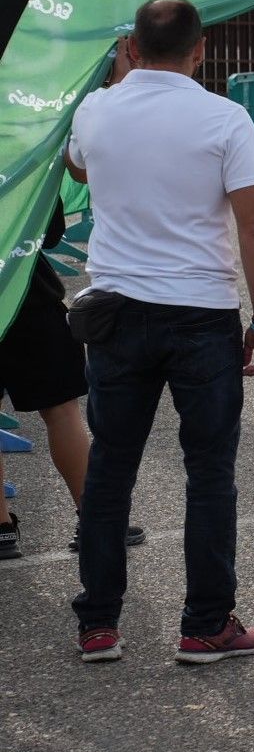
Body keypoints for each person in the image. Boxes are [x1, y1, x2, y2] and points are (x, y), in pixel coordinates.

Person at [63, 0, 254, 665]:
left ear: (131, 46)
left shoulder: (96, 110)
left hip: (117, 311)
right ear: (201, 49)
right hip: (200, 314)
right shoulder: (224, 118)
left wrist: (119, 90)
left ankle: (98, 623)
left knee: (109, 471)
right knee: (209, 474)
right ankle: (205, 625)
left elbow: (76, 167)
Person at [0, 197, 147, 559]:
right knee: (62, 412)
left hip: (24, 301)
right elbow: (50, 235)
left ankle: (1, 530)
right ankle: (95, 519)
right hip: (26, 298)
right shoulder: (22, 151)